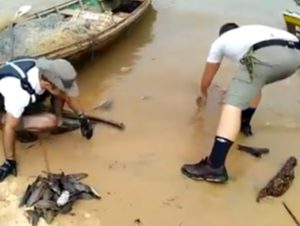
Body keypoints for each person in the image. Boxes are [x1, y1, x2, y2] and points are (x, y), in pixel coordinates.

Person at [181, 22, 300, 183]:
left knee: (232, 103)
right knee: (255, 81)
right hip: (295, 53)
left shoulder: (221, 41)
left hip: (267, 54)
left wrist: (203, 94)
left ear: (222, 34)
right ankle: (244, 123)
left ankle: (214, 166)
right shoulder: (250, 32)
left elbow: (207, 76)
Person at [0, 56, 94, 182]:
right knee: (48, 121)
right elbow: (9, 128)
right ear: (47, 84)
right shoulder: (18, 93)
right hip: (6, 103)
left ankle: (55, 118)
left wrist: (82, 118)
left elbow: (67, 95)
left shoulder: (47, 68)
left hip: (28, 94)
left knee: (59, 99)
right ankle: (3, 119)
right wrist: (9, 161)